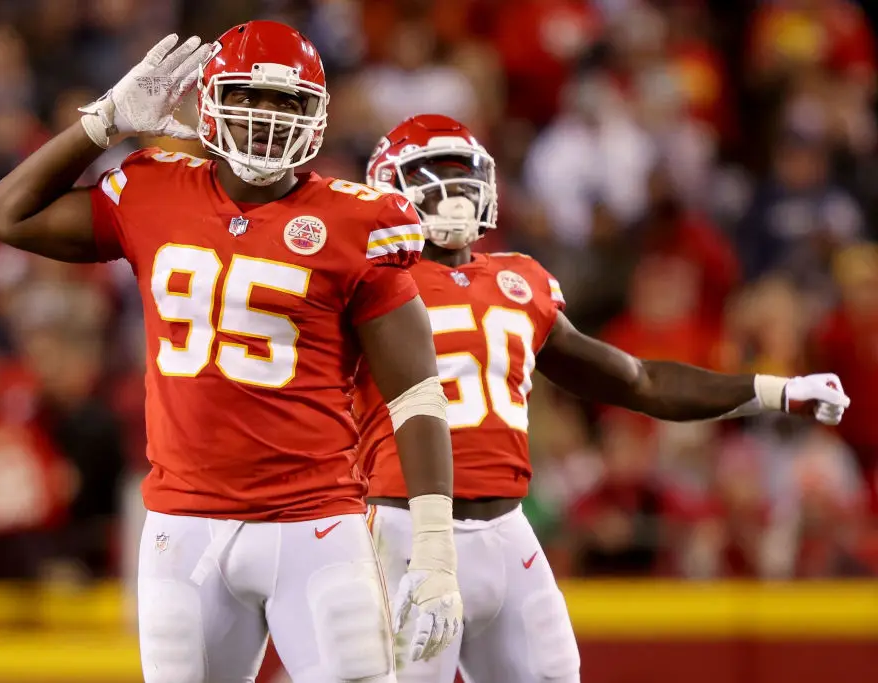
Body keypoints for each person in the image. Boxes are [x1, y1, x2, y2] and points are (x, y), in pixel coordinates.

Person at [0, 23, 464, 683]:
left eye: (286, 103)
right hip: (186, 523)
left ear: (316, 115)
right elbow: (4, 213)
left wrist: (436, 549)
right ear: (208, 99)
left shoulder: (359, 220)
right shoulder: (152, 188)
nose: (266, 117)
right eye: (250, 96)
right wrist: (104, 123)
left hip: (314, 522)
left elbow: (417, 394)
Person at [354, 113, 851, 683]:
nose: (453, 190)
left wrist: (775, 390)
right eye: (431, 174)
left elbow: (637, 380)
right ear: (387, 188)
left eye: (462, 173)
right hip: (405, 527)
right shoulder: (365, 281)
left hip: (508, 528)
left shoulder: (520, 283)